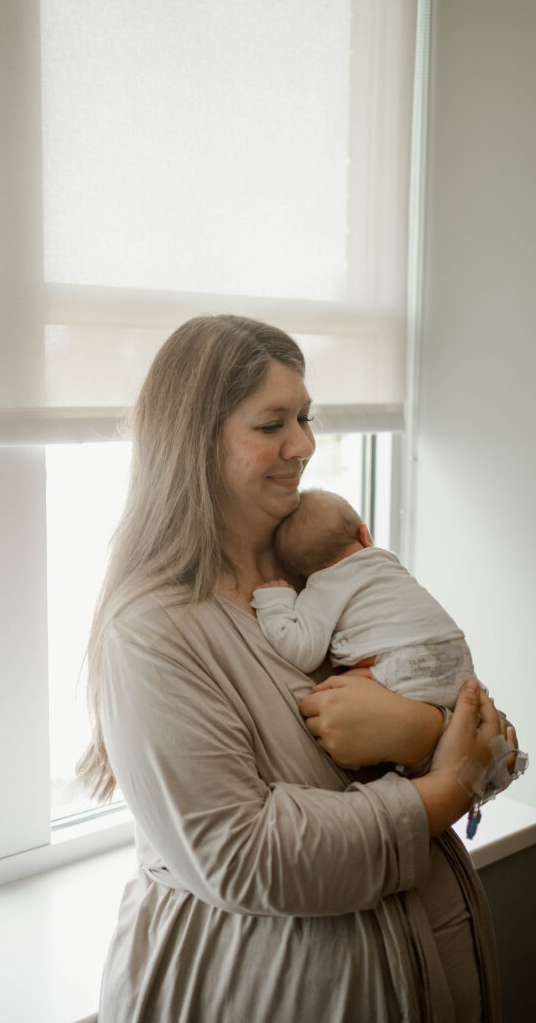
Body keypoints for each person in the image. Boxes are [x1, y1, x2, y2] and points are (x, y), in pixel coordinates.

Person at [78, 314, 516, 1022]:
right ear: (194, 440)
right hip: (264, 989)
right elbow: (246, 857)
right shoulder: (154, 631)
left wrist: (414, 731)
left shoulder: (326, 568)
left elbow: (497, 751)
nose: (304, 445)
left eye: (305, 417)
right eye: (271, 423)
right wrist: (442, 788)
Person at [252, 488, 476, 710]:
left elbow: (302, 653)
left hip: (405, 666)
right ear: (365, 535)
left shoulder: (323, 587)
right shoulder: (387, 564)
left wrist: (274, 601)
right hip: (458, 658)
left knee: (330, 695)